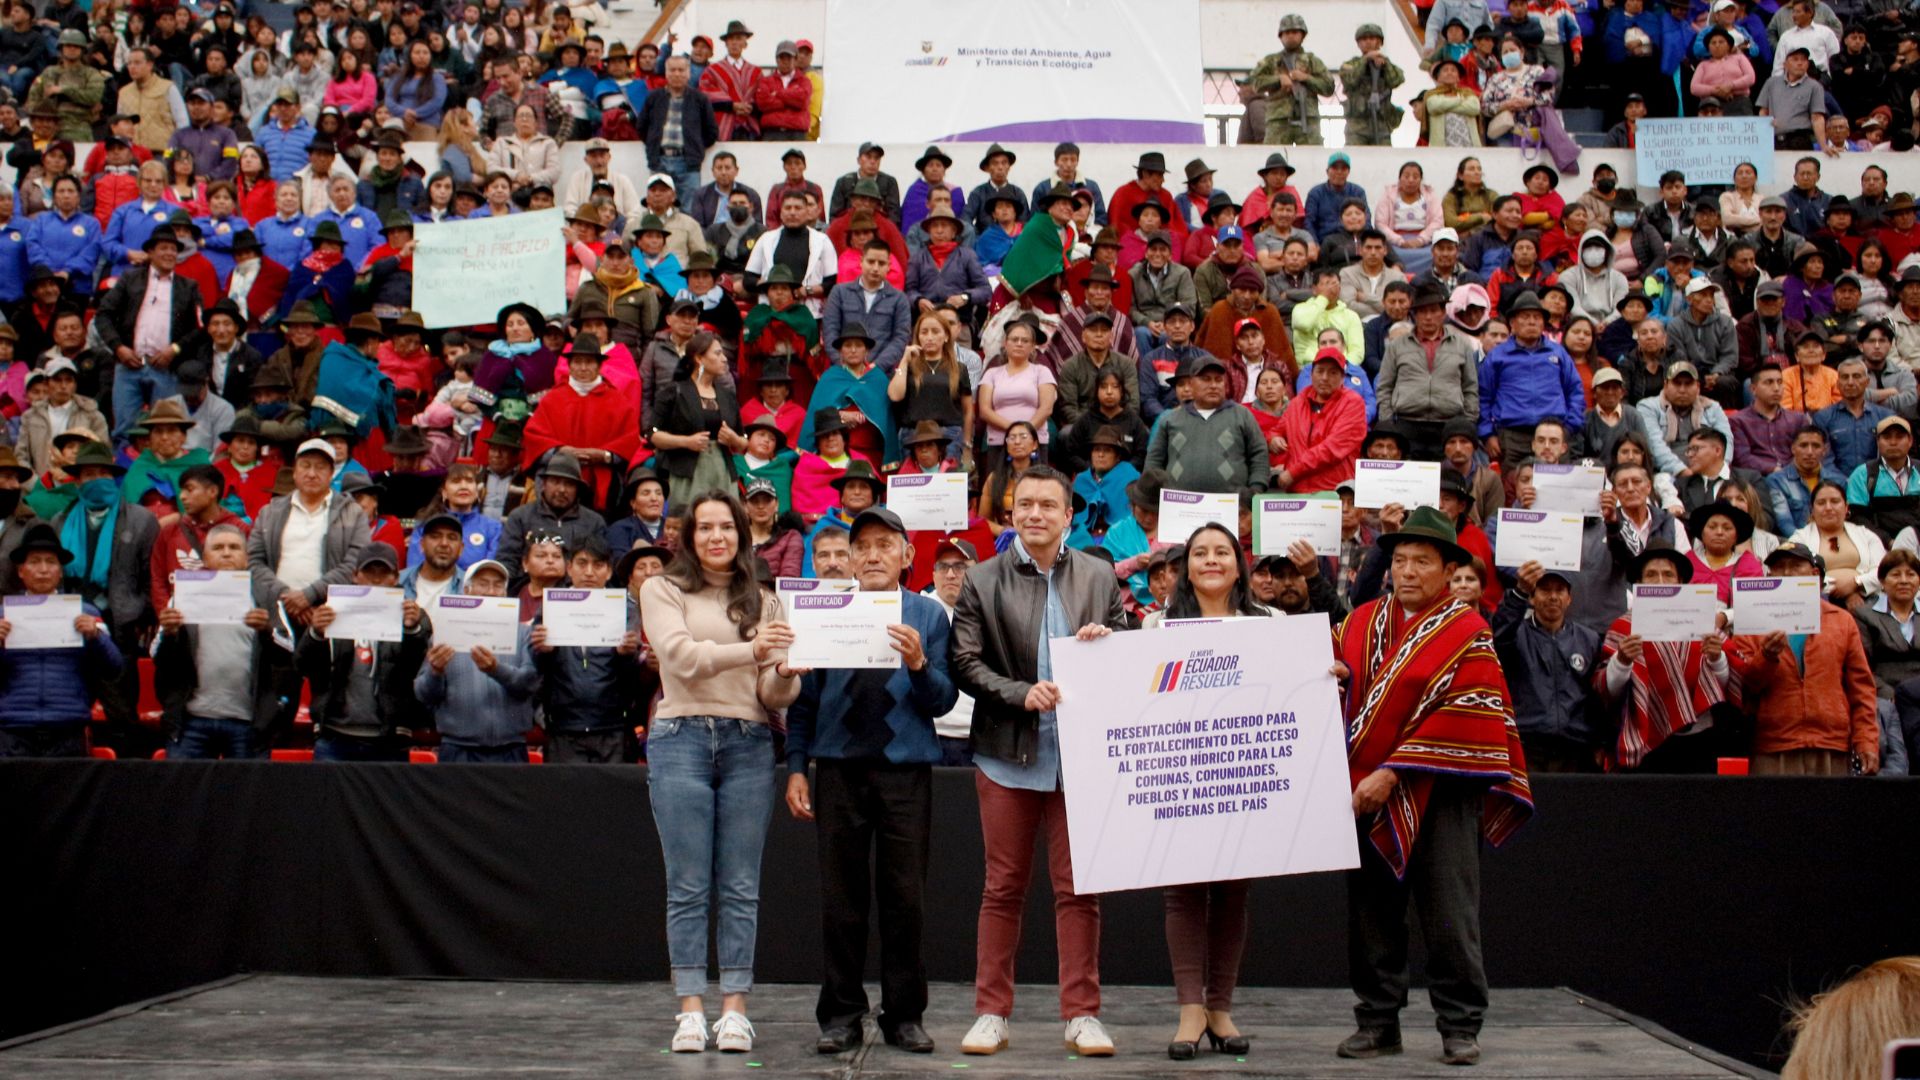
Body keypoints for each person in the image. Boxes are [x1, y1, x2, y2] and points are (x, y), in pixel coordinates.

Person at [1333, 505, 1530, 1066]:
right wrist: (1331, 680)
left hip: (1442, 793)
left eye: (1422, 561)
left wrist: (1393, 772)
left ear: (1448, 571)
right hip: (1363, 794)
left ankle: (1460, 1024)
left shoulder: (1469, 632)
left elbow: (1468, 711)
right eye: (1400, 560)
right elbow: (1332, 687)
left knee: (1449, 914)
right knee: (1372, 915)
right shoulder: (1357, 624)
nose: (1409, 571)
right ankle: (1377, 1022)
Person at [950, 465, 1128, 1057]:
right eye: (1025, 503)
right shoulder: (982, 578)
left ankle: (1082, 1014)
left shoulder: (1099, 575)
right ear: (1011, 513)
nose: (1035, 514)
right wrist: (1018, 693)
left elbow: (1125, 650)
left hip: (1080, 755)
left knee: (1079, 891)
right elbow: (964, 662)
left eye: (1048, 505)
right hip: (1007, 753)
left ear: (1069, 516)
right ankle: (991, 1012)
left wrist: (1108, 643)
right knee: (1002, 887)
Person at [784, 506, 954, 1056]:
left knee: (906, 899)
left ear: (907, 555)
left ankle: (904, 1014)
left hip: (905, 771)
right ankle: (841, 1015)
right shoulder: (825, 611)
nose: (873, 555)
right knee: (841, 900)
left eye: (885, 545)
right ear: (851, 559)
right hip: (838, 769)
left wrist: (919, 664)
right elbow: (803, 702)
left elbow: (944, 700)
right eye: (863, 546)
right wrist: (795, 766)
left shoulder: (928, 615)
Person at [640, 490, 799, 1054]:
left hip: (748, 740)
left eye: (726, 527)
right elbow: (679, 659)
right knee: (687, 884)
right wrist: (754, 652)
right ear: (689, 537)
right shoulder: (662, 588)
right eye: (705, 527)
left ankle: (734, 1009)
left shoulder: (767, 601)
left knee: (740, 885)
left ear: (742, 534)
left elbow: (772, 694)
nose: (716, 537)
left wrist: (786, 671)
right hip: (679, 738)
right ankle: (690, 1008)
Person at [1138, 521, 1270, 1058]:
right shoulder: (1155, 627)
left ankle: (1221, 1006)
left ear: (1239, 566)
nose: (1211, 560)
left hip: (1243, 771)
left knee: (1233, 892)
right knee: (1184, 892)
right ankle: (1190, 1009)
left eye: (1222, 552)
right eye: (1199, 553)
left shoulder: (1271, 625)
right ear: (1184, 570)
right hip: (1181, 773)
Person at [1728, 540, 1879, 775]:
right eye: (1779, 567)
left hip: (1831, 742)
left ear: (1814, 574)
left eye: (1796, 566)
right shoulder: (1751, 621)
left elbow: (1861, 689)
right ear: (1769, 575)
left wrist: (1866, 740)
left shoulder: (1842, 620)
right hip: (1773, 744)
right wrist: (1766, 657)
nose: (1787, 573)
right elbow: (1744, 686)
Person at [297, 541, 428, 761]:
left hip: (389, 738)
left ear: (396, 578)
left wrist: (412, 630)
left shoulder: (413, 616)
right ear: (355, 576)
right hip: (335, 735)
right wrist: (316, 634)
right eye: (369, 572)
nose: (376, 580)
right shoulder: (331, 612)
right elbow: (303, 665)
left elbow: (416, 669)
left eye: (383, 573)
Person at [152, 521, 272, 759]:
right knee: (185, 784)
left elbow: (290, 657)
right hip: (192, 721)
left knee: (249, 785)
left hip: (247, 722)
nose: (226, 553)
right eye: (218, 548)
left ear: (246, 558)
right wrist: (169, 633)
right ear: (205, 558)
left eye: (234, 547)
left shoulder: (265, 597)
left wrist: (266, 631)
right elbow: (156, 656)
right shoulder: (182, 597)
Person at [1479, 293, 1584, 473]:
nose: (1532, 322)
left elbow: (1575, 391)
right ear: (1512, 323)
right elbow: (1483, 397)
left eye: (1537, 317)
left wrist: (1568, 428)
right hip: (1511, 436)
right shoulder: (1497, 356)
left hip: (1553, 433)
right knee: (1513, 484)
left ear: (1543, 323)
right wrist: (1488, 434)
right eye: (1525, 316)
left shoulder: (1558, 353)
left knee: (1555, 485)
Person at [493, 453, 606, 588]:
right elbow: (507, 560)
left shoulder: (594, 522)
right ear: (544, 484)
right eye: (555, 481)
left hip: (577, 593)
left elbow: (599, 565)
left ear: (577, 489)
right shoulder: (520, 517)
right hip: (528, 590)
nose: (562, 489)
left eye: (569, 484)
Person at [1251, 15, 1335, 146]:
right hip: (1278, 120)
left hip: (1308, 120)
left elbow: (1329, 87)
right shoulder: (1271, 61)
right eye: (1287, 32)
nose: (1291, 36)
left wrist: (1306, 78)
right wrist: (1278, 79)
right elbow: (1255, 82)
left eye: (1295, 32)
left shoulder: (1312, 61)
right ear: (1281, 36)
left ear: (1303, 35)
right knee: (1275, 155)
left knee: (1312, 156)